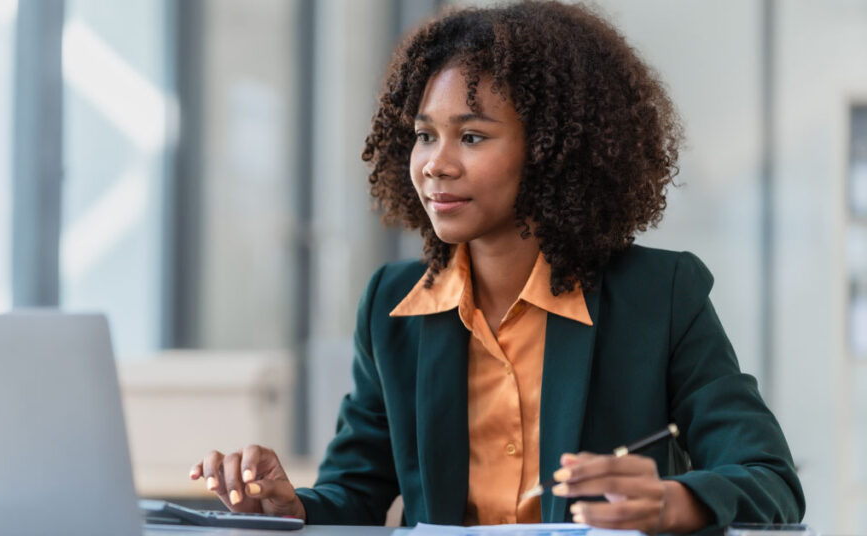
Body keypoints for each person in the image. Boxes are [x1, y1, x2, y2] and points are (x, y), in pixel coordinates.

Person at [190, 1, 805, 533]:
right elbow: (357, 491)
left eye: (473, 137)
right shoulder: (392, 305)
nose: (436, 163)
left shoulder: (660, 295)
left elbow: (769, 479)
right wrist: (290, 505)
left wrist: (669, 503)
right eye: (425, 135)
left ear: (551, 151)